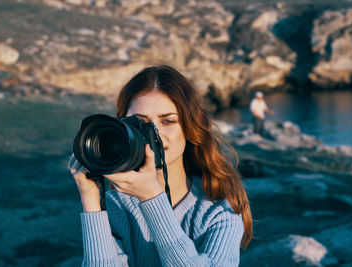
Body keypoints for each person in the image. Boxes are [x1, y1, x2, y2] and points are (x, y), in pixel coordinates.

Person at [68, 65, 252, 266]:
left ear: (189, 128)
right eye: (140, 123)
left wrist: (152, 198)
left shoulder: (219, 213)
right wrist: (91, 201)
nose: (154, 134)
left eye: (168, 121)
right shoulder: (116, 206)